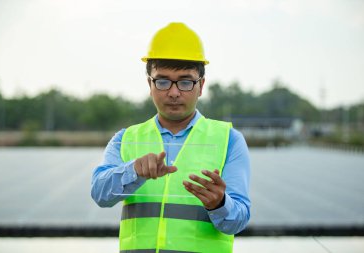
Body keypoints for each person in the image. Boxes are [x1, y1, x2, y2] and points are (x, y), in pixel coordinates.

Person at [91, 22, 250, 253]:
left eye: (185, 82)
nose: (174, 92)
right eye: (163, 81)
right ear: (149, 84)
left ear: (201, 85)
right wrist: (133, 171)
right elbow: (100, 195)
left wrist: (220, 204)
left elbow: (239, 220)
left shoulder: (229, 140)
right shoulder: (125, 138)